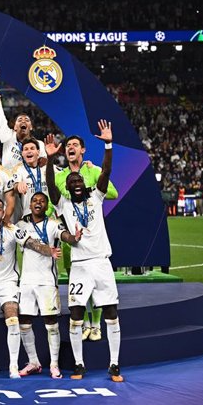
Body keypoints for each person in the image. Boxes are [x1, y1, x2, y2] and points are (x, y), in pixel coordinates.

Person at [45, 120, 124, 382]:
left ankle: (114, 365)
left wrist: (108, 145)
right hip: (79, 265)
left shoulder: (96, 196)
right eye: (72, 181)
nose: (76, 182)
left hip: (102, 263)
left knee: (111, 313)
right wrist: (48, 159)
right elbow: (50, 186)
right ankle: (79, 365)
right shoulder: (64, 204)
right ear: (67, 187)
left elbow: (107, 173)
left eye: (80, 180)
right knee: (76, 315)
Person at [0, 196, 58, 378]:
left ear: (3, 213)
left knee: (13, 320)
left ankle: (13, 366)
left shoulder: (13, 230)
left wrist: (50, 251)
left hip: (7, 282)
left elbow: (33, 244)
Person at [54, 134, 118, 342]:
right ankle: (83, 323)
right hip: (71, 239)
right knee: (81, 286)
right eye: (68, 145)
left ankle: (95, 324)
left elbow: (113, 193)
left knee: (97, 287)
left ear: (82, 150)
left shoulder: (93, 170)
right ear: (64, 152)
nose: (71, 147)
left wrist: (91, 188)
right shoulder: (59, 176)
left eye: (75, 144)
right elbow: (56, 202)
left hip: (93, 236)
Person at [16, 192, 82, 379]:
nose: (38, 203)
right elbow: (30, 244)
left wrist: (74, 238)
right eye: (35, 201)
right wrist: (48, 250)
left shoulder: (53, 224)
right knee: (24, 323)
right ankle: (33, 362)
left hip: (47, 281)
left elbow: (65, 235)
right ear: (30, 204)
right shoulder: (21, 225)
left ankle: (53, 364)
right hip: (27, 281)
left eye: (42, 201)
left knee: (51, 324)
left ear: (46, 207)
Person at [0, 64, 47, 169]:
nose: (23, 121)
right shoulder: (7, 135)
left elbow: (43, 168)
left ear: (31, 127)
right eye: (20, 120)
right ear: (14, 127)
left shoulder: (39, 144)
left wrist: (47, 159)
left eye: (27, 120)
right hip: (8, 183)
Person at [12, 138, 54, 218]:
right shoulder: (18, 169)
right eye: (26, 149)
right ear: (22, 153)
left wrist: (83, 164)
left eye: (32, 148)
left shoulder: (48, 167)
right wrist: (18, 185)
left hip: (50, 216)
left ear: (38, 152)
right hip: (29, 216)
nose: (29, 151)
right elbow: (14, 186)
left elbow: (67, 173)